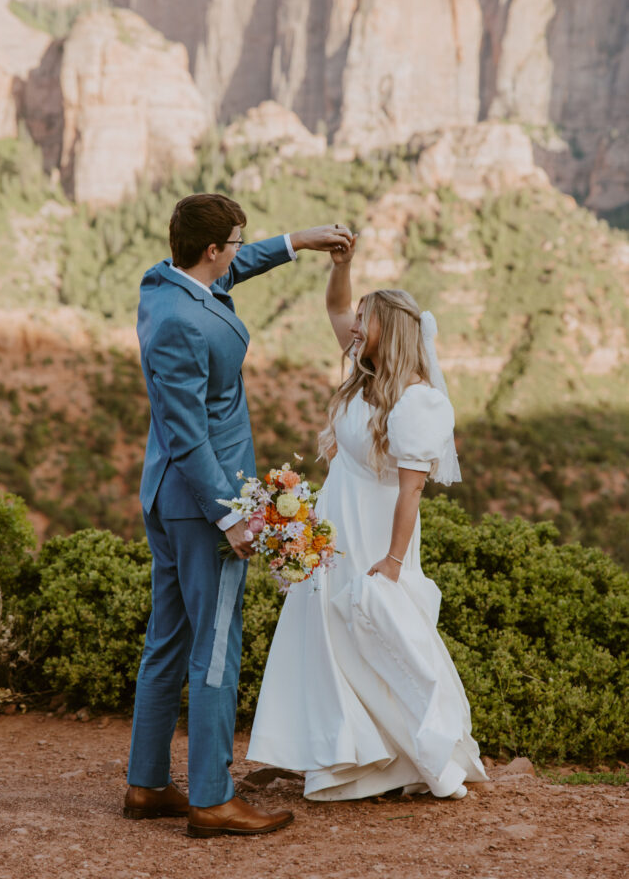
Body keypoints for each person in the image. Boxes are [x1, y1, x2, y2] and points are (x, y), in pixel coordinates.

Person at [123, 193, 353, 837]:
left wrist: (297, 242)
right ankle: (213, 797)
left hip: (166, 496)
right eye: (233, 242)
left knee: (167, 636)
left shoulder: (163, 285)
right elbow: (186, 432)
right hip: (204, 503)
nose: (236, 253)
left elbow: (233, 268)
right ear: (211, 249)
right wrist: (231, 517)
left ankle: (147, 785)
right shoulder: (180, 324)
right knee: (217, 641)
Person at [248, 237, 488, 801]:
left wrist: (394, 562)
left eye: (365, 320)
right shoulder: (364, 370)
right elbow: (333, 308)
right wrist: (343, 266)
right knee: (329, 633)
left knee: (377, 631)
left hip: (379, 530)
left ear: (391, 329)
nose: (353, 326)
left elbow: (411, 494)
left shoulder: (416, 400)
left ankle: (402, 756)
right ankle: (339, 753)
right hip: (336, 519)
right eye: (357, 319)